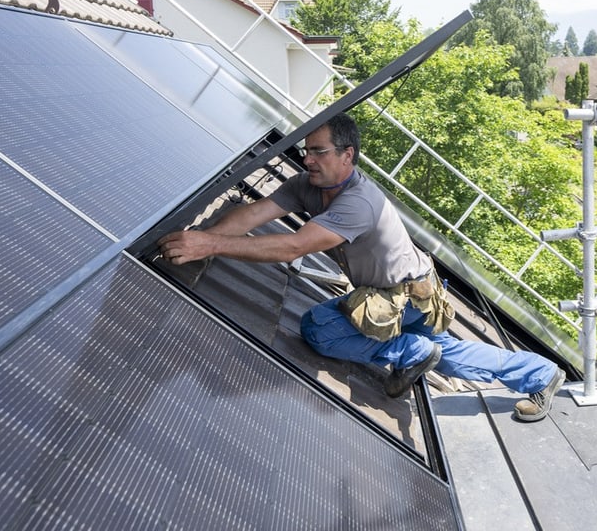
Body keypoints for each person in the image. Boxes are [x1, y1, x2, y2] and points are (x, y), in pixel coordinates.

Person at [159, 112, 565, 422]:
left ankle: (410, 348)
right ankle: (539, 373)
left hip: (403, 299)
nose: (307, 159)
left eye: (319, 151)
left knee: (318, 327)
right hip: (413, 293)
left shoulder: (358, 202)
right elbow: (252, 214)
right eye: (306, 150)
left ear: (346, 155)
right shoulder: (309, 185)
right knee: (447, 354)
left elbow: (294, 248)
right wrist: (203, 238)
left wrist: (209, 244)